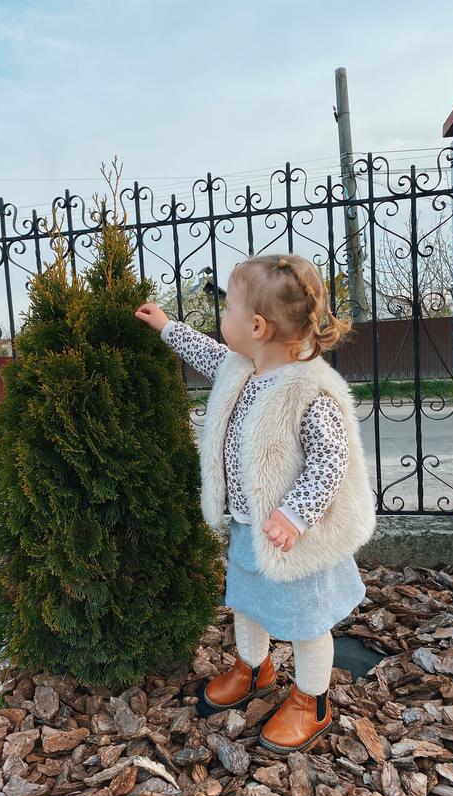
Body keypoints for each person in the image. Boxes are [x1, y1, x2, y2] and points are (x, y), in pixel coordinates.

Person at [134, 253, 376, 754]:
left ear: (258, 327)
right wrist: (166, 327)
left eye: (229, 309)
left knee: (307, 622)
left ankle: (312, 701)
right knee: (246, 603)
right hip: (250, 527)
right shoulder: (242, 367)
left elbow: (330, 460)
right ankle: (254, 668)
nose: (222, 318)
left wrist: (295, 515)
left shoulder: (308, 392)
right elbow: (208, 352)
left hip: (296, 540)